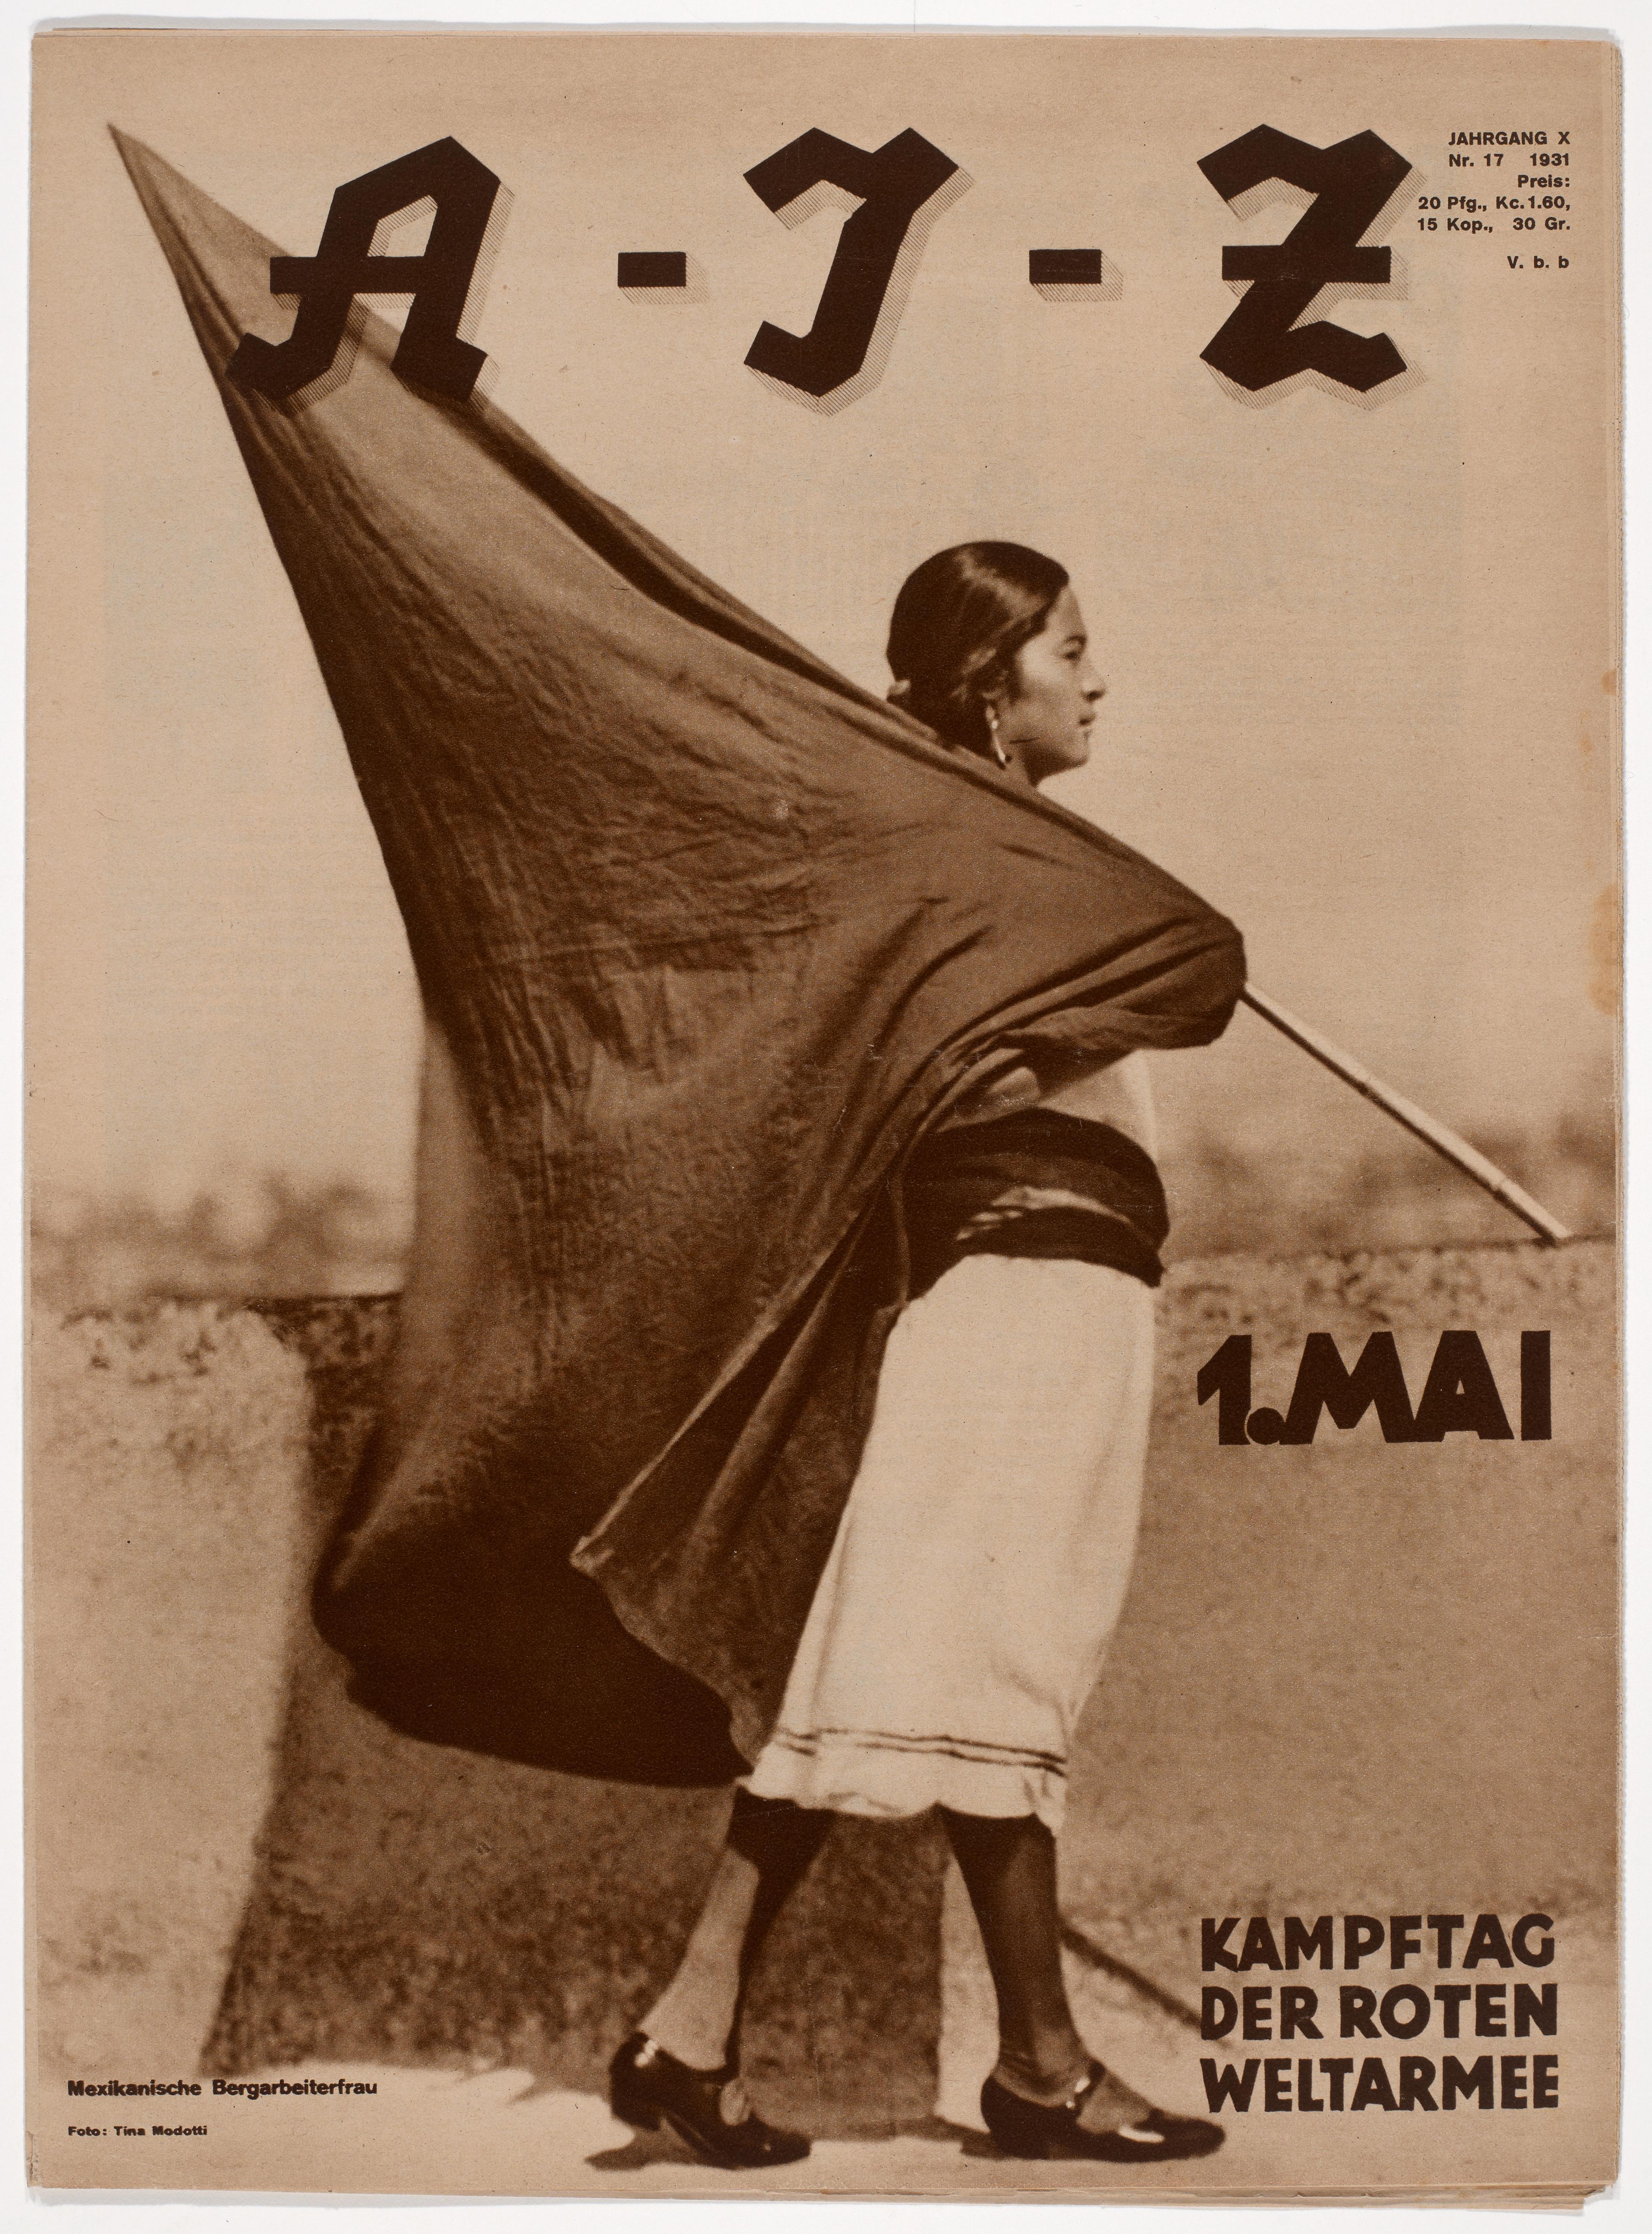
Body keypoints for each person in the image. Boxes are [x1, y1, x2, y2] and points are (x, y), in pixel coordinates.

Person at [608, 543, 1226, 2171]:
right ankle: (1043, 2068)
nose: (1099, 680)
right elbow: (1180, 977)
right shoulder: (949, 865)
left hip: (1057, 1297)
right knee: (978, 1670)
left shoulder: (999, 858)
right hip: (1010, 1304)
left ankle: (688, 2032)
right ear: (987, 685)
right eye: (1071, 652)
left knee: (889, 1675)